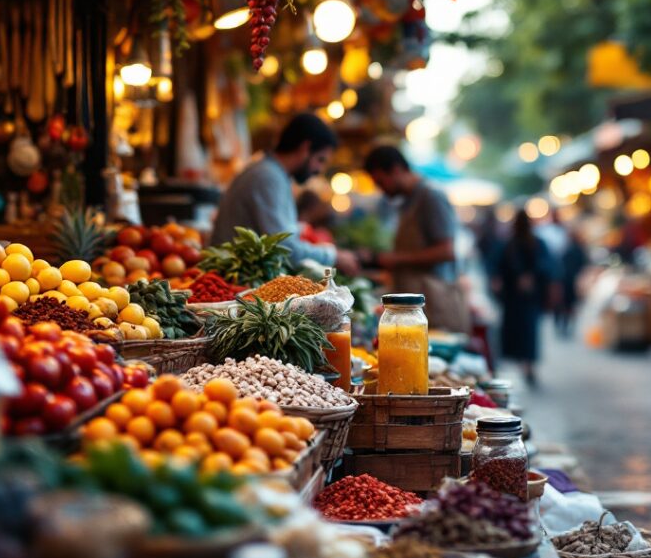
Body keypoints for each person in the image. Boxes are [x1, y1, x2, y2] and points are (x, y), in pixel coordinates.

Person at [211, 113, 358, 274]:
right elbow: (285, 249)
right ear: (305, 148)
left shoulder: (272, 173)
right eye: (320, 160)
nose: (319, 170)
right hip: (232, 283)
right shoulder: (268, 177)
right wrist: (333, 256)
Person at [363, 145, 471, 334]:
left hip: (437, 303)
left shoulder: (431, 196)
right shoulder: (409, 201)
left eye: (381, 182)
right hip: (421, 304)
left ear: (396, 170)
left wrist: (395, 259)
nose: (381, 190)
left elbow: (447, 251)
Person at [493, 210, 554, 387]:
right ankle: (525, 365)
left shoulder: (512, 244)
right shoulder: (513, 244)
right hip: (518, 298)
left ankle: (525, 365)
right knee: (526, 332)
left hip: (524, 298)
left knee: (526, 332)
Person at [554, 228, 588, 339]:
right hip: (571, 281)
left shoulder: (567, 249)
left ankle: (563, 326)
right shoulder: (577, 250)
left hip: (566, 280)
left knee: (564, 305)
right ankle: (566, 327)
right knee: (568, 305)